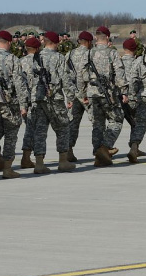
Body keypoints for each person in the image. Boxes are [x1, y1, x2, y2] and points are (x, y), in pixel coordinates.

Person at [76, 26, 129, 166]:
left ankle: (98, 156)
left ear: (95, 38)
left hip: (92, 93)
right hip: (108, 93)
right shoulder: (112, 53)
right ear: (108, 37)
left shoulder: (88, 53)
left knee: (97, 125)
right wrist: (124, 91)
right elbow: (119, 73)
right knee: (117, 120)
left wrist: (82, 93)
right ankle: (104, 148)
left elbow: (80, 74)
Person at [29, 31, 76, 173]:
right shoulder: (59, 57)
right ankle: (63, 161)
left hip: (39, 98)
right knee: (63, 127)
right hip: (55, 98)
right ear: (56, 43)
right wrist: (70, 97)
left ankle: (39, 163)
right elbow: (65, 79)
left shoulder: (36, 57)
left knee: (40, 130)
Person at [0, 31, 28, 178]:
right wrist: (23, 105)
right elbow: (19, 83)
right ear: (9, 43)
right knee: (10, 135)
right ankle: (7, 169)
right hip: (8, 102)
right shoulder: (12, 59)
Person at [65, 31, 94, 161]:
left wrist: (69, 96)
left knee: (73, 123)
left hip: (74, 93)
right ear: (88, 42)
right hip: (87, 93)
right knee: (96, 121)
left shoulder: (69, 54)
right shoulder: (90, 54)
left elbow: (65, 76)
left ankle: (68, 150)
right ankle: (100, 149)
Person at [19, 37, 41, 169]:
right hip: (36, 99)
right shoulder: (39, 61)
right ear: (37, 49)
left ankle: (27, 158)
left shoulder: (20, 61)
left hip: (24, 100)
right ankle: (27, 158)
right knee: (34, 130)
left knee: (29, 128)